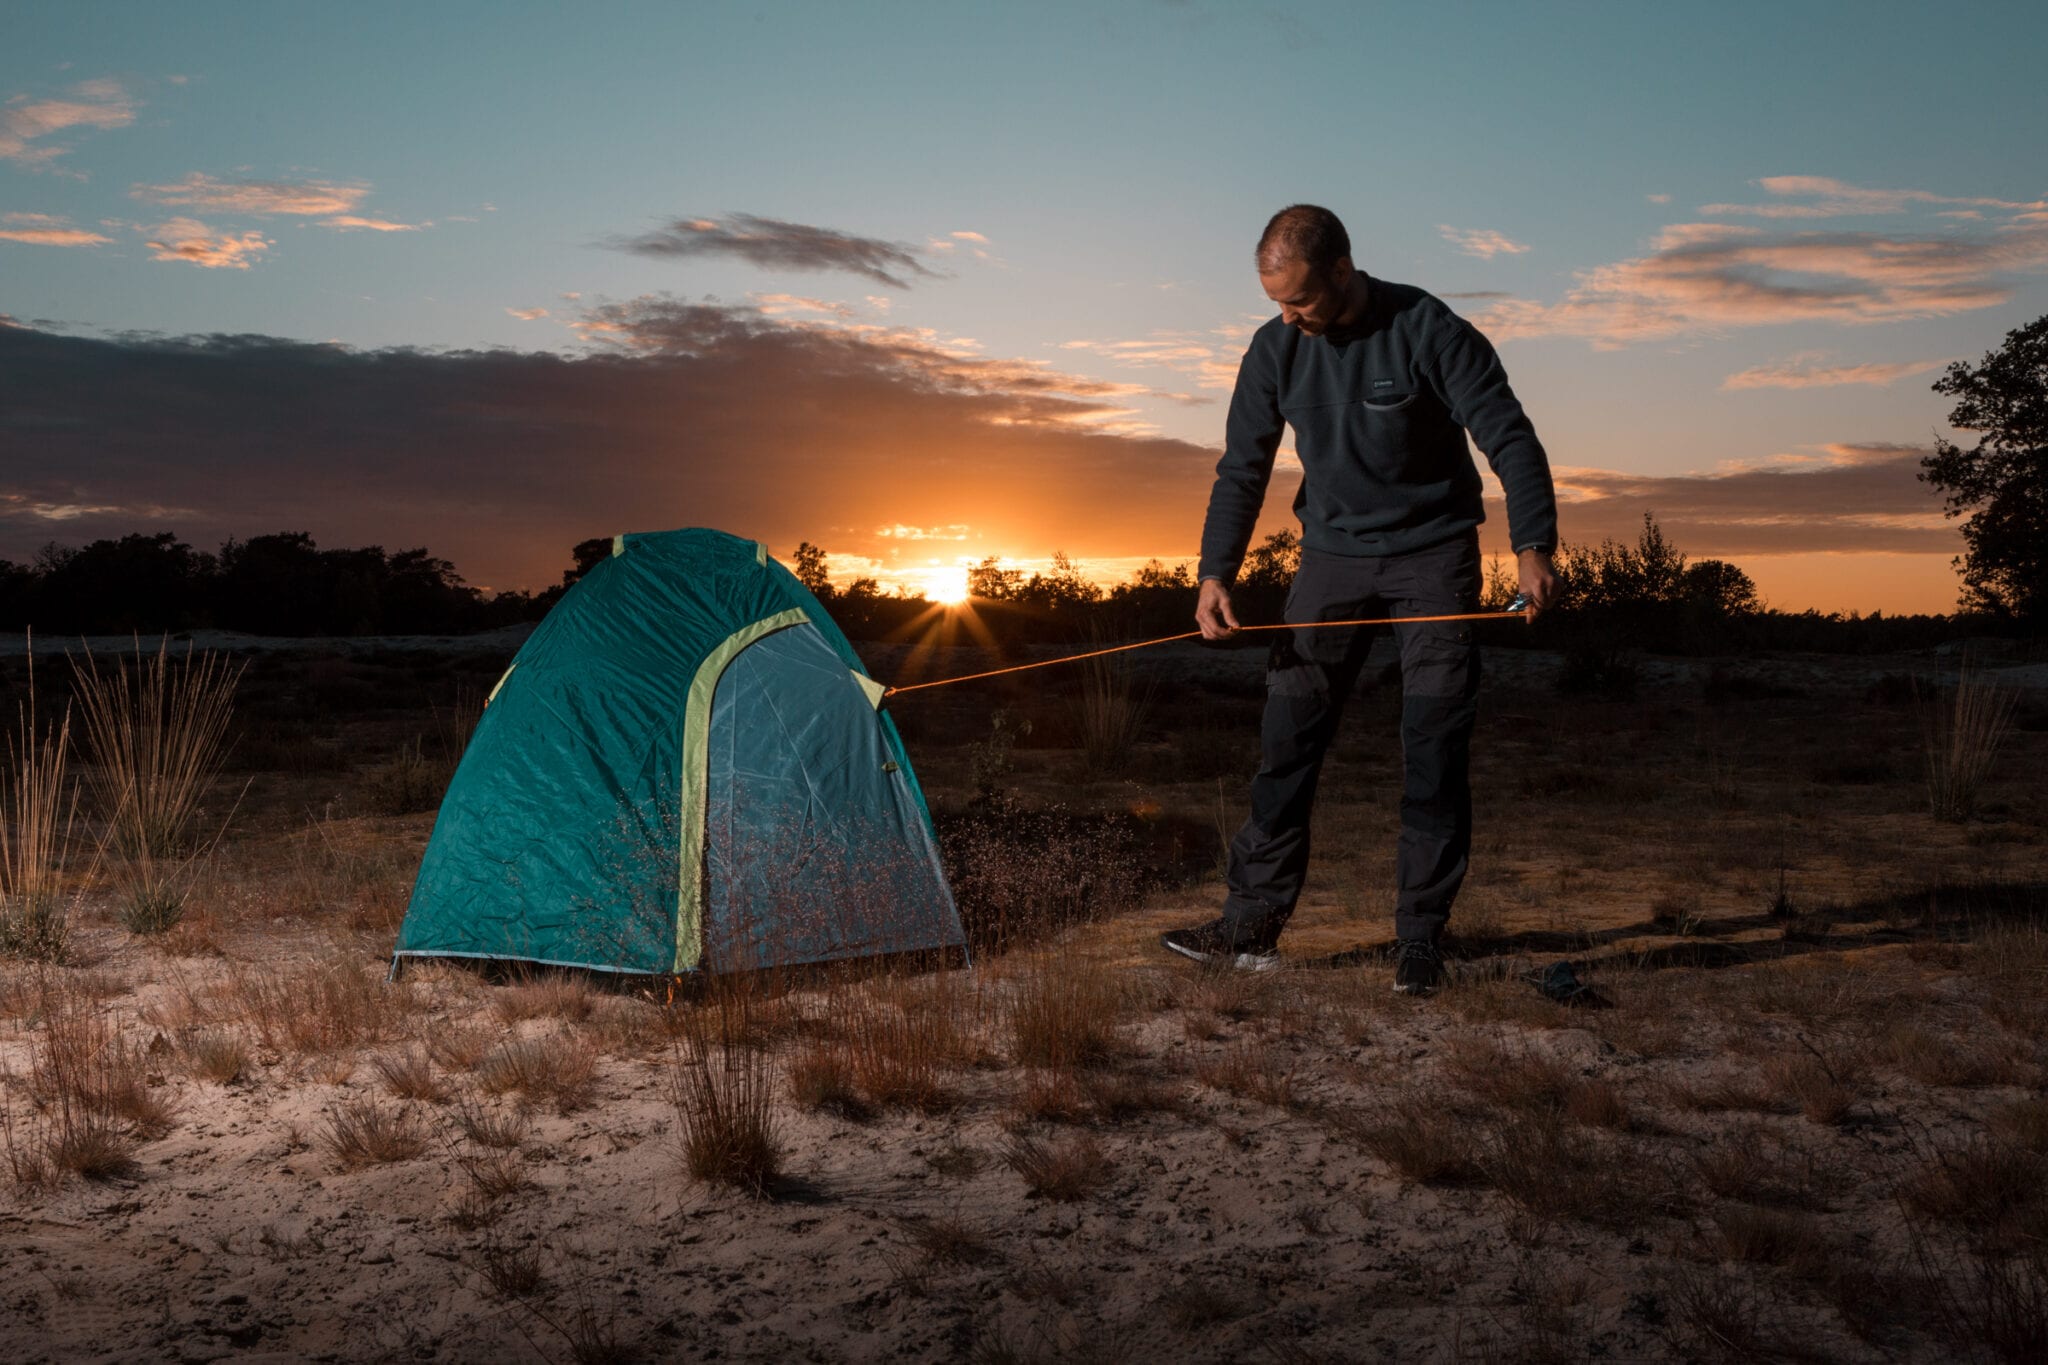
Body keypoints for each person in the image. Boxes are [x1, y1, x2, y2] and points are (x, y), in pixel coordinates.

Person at [1160, 204, 1559, 994]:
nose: (1287, 316)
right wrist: (1215, 573)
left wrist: (1533, 548)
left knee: (1433, 744)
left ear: (1342, 270)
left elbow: (1509, 436)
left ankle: (1420, 938)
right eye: (1275, 301)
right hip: (1331, 562)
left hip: (1433, 557)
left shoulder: (1427, 328)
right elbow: (1241, 468)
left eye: (1300, 300)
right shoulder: (1275, 349)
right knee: (1286, 738)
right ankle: (1250, 927)